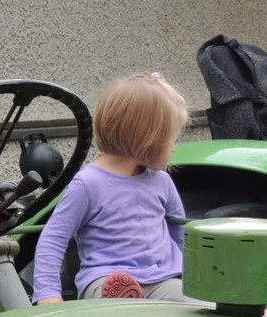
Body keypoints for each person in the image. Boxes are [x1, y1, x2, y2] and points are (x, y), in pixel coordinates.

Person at [32, 73, 198, 304]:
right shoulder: (89, 184)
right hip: (103, 279)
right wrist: (48, 294)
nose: (173, 148)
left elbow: (181, 233)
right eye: (170, 139)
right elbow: (53, 239)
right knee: (110, 293)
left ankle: (139, 305)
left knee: (203, 307)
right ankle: (122, 301)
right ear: (145, 138)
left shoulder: (162, 181)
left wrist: (194, 279)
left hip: (161, 279)